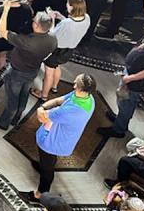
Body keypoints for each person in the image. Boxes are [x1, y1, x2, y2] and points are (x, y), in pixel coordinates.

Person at [24, 74, 96, 202]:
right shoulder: (88, 99)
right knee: (48, 161)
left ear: (78, 88)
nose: (73, 85)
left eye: (75, 83)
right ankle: (44, 166)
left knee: (47, 168)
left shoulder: (71, 111)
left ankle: (41, 194)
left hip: (53, 142)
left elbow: (42, 118)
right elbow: (58, 100)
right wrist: (43, 107)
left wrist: (41, 108)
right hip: (65, 138)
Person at [0, 4, 57, 131]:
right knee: (23, 95)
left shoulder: (27, 41)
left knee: (12, 98)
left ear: (36, 26)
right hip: (33, 71)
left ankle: (3, 122)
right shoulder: (53, 39)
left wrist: (6, 8)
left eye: (34, 21)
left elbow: (2, 30)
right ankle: (16, 118)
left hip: (17, 72)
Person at [32, 0, 90, 100]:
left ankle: (43, 95)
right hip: (69, 51)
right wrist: (61, 17)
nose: (66, 5)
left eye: (68, 4)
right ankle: (54, 87)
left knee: (49, 72)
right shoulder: (86, 18)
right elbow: (72, 25)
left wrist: (52, 19)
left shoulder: (66, 23)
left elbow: (52, 34)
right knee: (57, 66)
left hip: (57, 50)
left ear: (72, 7)